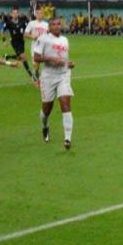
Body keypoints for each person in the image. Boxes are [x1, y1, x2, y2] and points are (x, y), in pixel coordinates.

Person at [34, 17, 75, 150]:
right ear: (49, 27)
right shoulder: (43, 39)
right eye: (54, 24)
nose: (57, 26)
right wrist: (51, 58)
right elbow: (36, 57)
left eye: (59, 24)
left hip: (63, 75)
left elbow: (63, 59)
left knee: (65, 103)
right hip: (48, 77)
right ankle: (45, 126)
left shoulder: (65, 40)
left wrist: (68, 64)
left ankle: (67, 138)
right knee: (47, 109)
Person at [1, 6, 37, 82]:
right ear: (11, 14)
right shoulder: (9, 23)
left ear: (18, 14)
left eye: (16, 13)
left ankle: (7, 56)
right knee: (23, 57)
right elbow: (2, 31)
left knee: (20, 57)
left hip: (21, 41)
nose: (15, 14)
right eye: (13, 13)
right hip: (14, 42)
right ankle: (31, 75)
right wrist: (4, 40)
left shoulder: (22, 21)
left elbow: (28, 28)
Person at [24, 10, 49, 81]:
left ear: (43, 15)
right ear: (36, 15)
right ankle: (37, 73)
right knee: (35, 64)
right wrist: (32, 36)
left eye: (41, 13)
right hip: (35, 46)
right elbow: (25, 34)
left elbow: (50, 34)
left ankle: (44, 78)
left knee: (46, 63)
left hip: (45, 47)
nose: (40, 15)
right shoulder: (32, 23)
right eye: (38, 13)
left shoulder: (46, 24)